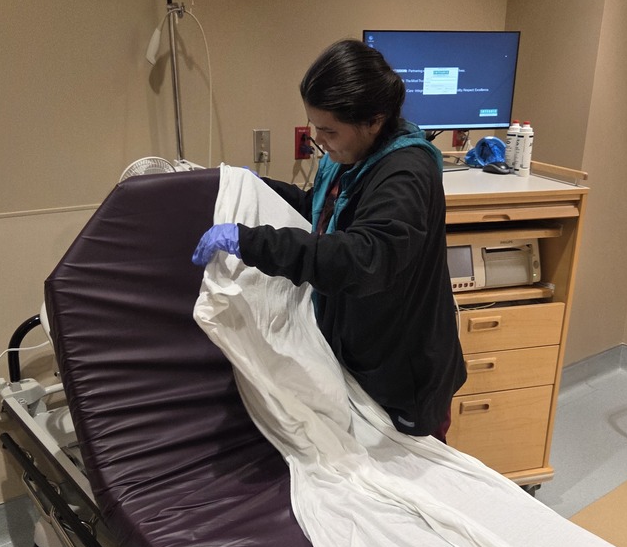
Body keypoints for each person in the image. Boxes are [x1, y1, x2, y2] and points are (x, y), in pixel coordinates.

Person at [192, 38, 466, 440]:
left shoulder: (406, 174)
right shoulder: (352, 156)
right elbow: (319, 212)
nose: (319, 140)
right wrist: (254, 187)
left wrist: (251, 242)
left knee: (399, 476)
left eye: (328, 130)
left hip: (402, 377)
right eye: (315, 126)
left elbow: (363, 257)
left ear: (373, 120)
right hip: (358, 352)